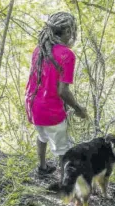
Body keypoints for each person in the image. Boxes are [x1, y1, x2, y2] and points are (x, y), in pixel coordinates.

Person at [25, 12, 88, 176]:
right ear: (67, 31)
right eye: (71, 31)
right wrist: (78, 108)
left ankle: (42, 167)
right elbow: (63, 91)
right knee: (63, 150)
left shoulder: (38, 49)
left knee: (42, 136)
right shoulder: (67, 54)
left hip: (33, 106)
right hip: (50, 109)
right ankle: (65, 182)